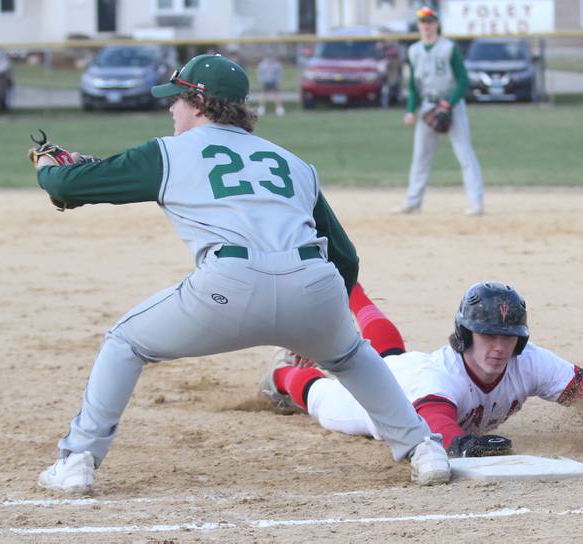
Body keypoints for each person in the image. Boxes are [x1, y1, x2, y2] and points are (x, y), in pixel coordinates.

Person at [32, 54, 450, 494]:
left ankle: (77, 460)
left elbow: (66, 187)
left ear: (198, 102)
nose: (170, 109)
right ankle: (425, 449)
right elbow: (344, 257)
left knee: (125, 341)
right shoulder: (291, 161)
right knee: (350, 356)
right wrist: (320, 325)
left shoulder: (166, 152)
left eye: (176, 99)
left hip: (228, 284)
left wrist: (49, 167)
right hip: (314, 282)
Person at [259, 281, 583, 457]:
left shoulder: (530, 362)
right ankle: (279, 373)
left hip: (408, 366)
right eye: (487, 335)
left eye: (508, 337)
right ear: (466, 334)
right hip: (384, 402)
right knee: (321, 397)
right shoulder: (442, 378)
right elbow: (435, 423)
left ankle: (348, 284)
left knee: (390, 353)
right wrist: (462, 445)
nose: (499, 346)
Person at [394, 5, 484, 216]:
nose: (427, 26)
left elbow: (463, 81)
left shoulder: (448, 48)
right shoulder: (414, 50)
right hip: (427, 107)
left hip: (452, 106)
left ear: (437, 24)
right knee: (420, 157)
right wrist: (410, 109)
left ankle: (476, 202)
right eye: (423, 22)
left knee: (465, 154)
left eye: (430, 21)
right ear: (418, 25)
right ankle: (413, 202)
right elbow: (414, 86)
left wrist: (449, 103)